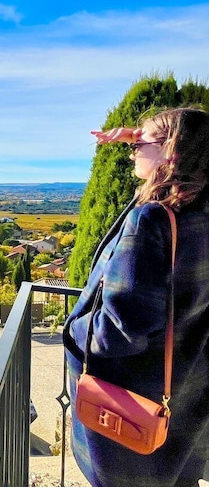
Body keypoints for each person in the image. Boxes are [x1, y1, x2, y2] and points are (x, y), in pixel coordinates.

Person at [64, 107, 209, 486]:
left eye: (139, 144)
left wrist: (74, 329)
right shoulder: (200, 214)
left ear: (172, 153)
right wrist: (141, 136)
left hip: (134, 407)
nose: (131, 151)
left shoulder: (152, 221)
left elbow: (119, 331)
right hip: (185, 396)